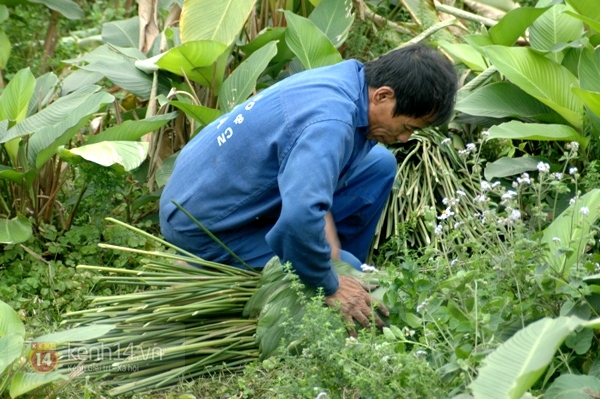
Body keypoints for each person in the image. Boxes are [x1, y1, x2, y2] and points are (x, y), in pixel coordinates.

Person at [159, 43, 458, 333]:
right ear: (383, 95)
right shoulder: (330, 122)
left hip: (215, 186)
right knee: (358, 281)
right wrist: (328, 282)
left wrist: (332, 254)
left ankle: (344, 275)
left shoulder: (349, 80)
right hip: (203, 223)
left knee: (378, 164)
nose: (405, 138)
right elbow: (301, 216)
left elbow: (312, 193)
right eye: (408, 127)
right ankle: (334, 287)